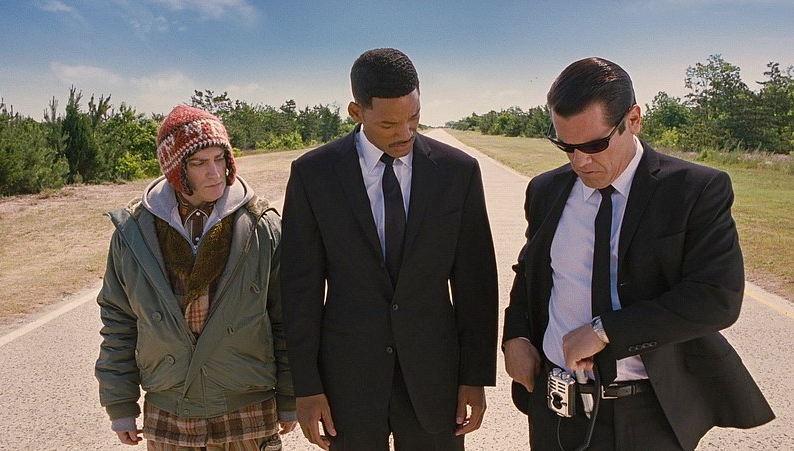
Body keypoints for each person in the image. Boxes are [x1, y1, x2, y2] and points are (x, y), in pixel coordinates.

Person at [502, 57, 774, 450]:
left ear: (633, 120)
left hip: (645, 415)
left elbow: (716, 298)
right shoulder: (545, 190)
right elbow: (529, 271)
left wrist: (605, 331)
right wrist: (515, 334)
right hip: (556, 409)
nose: (579, 161)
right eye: (566, 146)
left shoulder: (695, 190)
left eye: (594, 145)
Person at [280, 48, 498, 451]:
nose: (405, 132)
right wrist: (306, 387)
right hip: (348, 382)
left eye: (414, 117)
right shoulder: (313, 175)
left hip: (436, 379)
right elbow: (299, 290)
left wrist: (474, 377)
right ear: (356, 112)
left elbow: (476, 283)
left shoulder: (458, 172)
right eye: (388, 124)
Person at [95, 105, 297, 450]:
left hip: (247, 407)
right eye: (199, 163)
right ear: (175, 170)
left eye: (220, 159)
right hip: (169, 408)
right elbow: (119, 322)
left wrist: (291, 395)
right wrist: (120, 404)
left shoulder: (261, 226)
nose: (215, 173)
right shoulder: (134, 232)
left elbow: (287, 318)